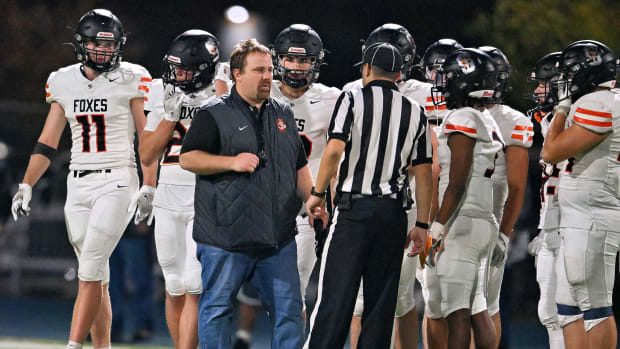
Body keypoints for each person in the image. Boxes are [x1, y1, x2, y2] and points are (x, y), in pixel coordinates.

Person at [9, 9, 156, 349]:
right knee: (98, 277)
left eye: (110, 44)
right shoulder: (62, 80)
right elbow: (47, 140)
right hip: (77, 184)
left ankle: (73, 345)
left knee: (89, 271)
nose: (104, 50)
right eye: (97, 43)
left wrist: (149, 184)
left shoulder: (133, 77)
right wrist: (26, 183)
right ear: (81, 44)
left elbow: (146, 139)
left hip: (117, 180)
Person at [179, 38, 314, 349]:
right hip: (225, 236)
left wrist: (314, 200)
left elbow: (298, 165)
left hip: (276, 236)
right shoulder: (213, 112)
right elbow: (188, 158)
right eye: (259, 70)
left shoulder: (283, 111)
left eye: (269, 70)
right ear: (237, 74)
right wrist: (231, 162)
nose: (268, 76)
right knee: (217, 310)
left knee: (289, 312)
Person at [305, 42, 432, 349]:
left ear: (365, 69)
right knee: (381, 305)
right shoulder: (415, 111)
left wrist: (317, 193)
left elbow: (334, 150)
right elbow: (425, 173)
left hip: (353, 211)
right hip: (392, 215)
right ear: (399, 74)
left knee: (335, 298)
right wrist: (423, 225)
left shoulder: (353, 98)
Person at [231, 24, 341, 349]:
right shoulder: (259, 93)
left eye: (305, 60)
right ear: (277, 60)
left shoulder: (333, 100)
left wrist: (329, 203)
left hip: (304, 209)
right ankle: (241, 336)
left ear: (316, 63)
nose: (296, 67)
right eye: (290, 60)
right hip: (259, 208)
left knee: (291, 294)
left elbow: (340, 157)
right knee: (240, 288)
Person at [138, 29, 229, 349]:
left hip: (205, 194)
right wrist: (169, 116)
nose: (178, 75)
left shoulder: (222, 89)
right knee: (174, 285)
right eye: (175, 67)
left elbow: (230, 136)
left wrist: (221, 89)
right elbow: (147, 153)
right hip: (168, 195)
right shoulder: (163, 90)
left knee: (195, 285)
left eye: (186, 69)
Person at [341, 23, 429, 349]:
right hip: (369, 200)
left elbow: (432, 159)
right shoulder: (352, 90)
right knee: (366, 298)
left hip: (403, 202)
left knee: (401, 297)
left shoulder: (424, 94)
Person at [542, 40, 620, 349]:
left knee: (595, 304)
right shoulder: (605, 101)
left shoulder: (598, 104)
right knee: (568, 306)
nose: (564, 83)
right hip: (581, 215)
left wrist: (562, 110)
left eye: (568, 75)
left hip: (592, 217)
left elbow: (550, 151)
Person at [425, 48, 503, 349]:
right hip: (481, 218)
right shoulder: (485, 117)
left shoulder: (462, 117)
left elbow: (456, 182)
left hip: (462, 221)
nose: (443, 83)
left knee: (456, 316)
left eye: (449, 77)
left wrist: (437, 227)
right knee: (477, 310)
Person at [478, 45, 534, 349]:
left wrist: (508, 230)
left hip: (499, 221)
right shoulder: (458, 113)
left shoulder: (512, 120)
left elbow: (516, 185)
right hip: (466, 220)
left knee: (493, 305)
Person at [418, 38, 463, 349]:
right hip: (431, 203)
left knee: (462, 304)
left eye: (447, 72)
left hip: (459, 207)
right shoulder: (416, 101)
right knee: (433, 299)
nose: (441, 80)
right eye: (436, 72)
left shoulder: (471, 108)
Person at [526, 51, 567, 349]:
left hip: (573, 227)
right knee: (549, 313)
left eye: (544, 84)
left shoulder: (578, 117)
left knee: (572, 312)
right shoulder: (551, 119)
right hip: (552, 226)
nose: (538, 90)